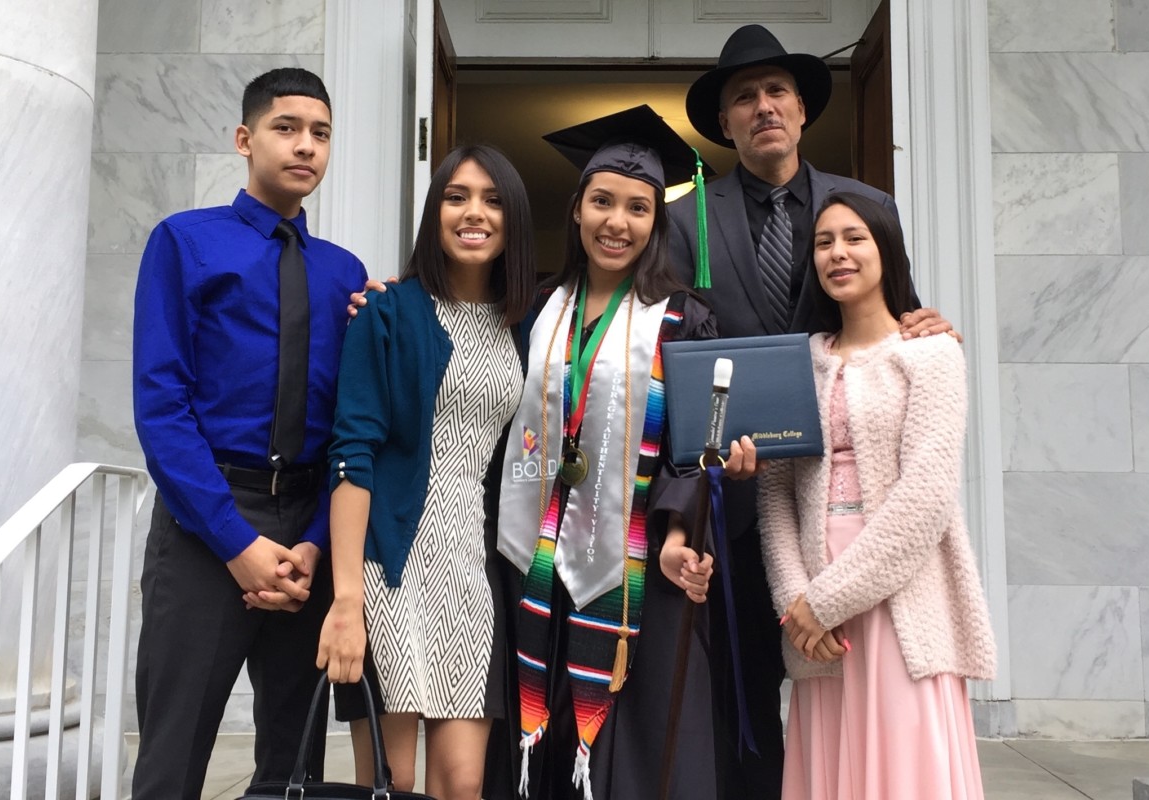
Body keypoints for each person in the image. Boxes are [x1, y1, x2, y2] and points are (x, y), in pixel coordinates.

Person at [666, 24, 956, 797]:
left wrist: (929, 323)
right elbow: (664, 350)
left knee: (859, 712)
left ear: (801, 109)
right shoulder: (683, 220)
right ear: (723, 122)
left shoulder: (859, 210)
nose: (763, 107)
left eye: (776, 91)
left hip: (850, 518)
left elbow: (898, 315)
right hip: (731, 497)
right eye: (743, 98)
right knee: (742, 704)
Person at [489, 105, 749, 800]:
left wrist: (670, 533)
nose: (618, 222)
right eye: (602, 201)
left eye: (638, 207)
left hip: (636, 567)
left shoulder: (683, 319)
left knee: (633, 744)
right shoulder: (533, 310)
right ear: (576, 209)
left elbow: (695, 448)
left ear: (655, 221)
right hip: (531, 557)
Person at [131, 68, 367, 799]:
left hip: (305, 533)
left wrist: (317, 543)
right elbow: (161, 408)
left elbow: (348, 428)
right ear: (245, 138)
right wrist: (236, 544)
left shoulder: (345, 274)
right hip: (208, 524)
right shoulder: (184, 241)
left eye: (321, 134)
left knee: (292, 768)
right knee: (173, 759)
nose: (306, 146)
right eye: (286, 128)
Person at [758, 191, 996, 799]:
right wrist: (795, 605)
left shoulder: (931, 354)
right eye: (824, 242)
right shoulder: (798, 362)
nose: (839, 253)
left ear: (886, 247)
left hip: (900, 600)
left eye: (855, 237)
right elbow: (775, 493)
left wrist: (827, 602)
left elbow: (926, 498)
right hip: (815, 613)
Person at [317, 143, 538, 799]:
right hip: (391, 566)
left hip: (473, 569)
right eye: (457, 196)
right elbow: (351, 457)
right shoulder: (387, 312)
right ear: (434, 213)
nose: (475, 213)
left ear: (514, 220)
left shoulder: (523, 326)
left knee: (464, 782)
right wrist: (347, 599)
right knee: (395, 781)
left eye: (493, 200)